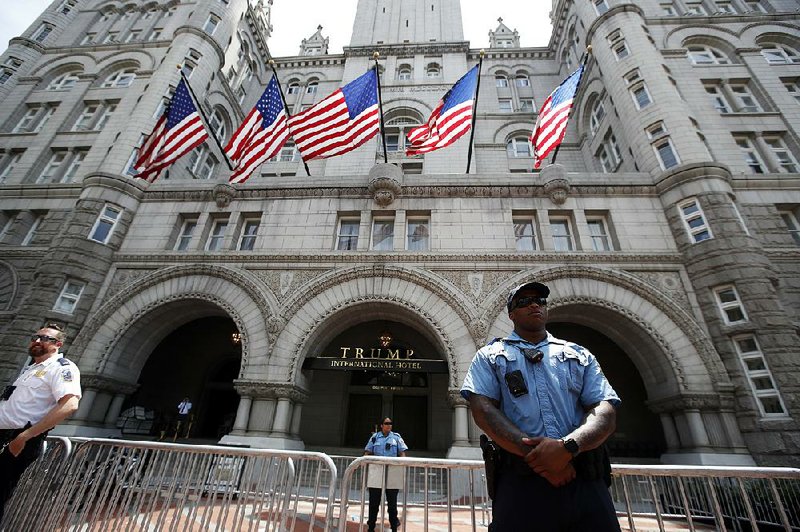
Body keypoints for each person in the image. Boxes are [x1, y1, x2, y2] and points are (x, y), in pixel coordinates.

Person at [461, 281, 621, 531]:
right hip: (521, 482)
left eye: (540, 300)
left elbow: (604, 410)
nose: (534, 304)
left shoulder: (579, 354)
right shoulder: (490, 354)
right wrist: (542, 459)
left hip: (583, 478)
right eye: (524, 301)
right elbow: (483, 411)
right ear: (511, 314)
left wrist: (568, 448)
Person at [0, 323, 82, 521]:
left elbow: (70, 404)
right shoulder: (31, 369)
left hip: (18, 439)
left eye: (45, 338)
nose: (38, 341)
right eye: (35, 337)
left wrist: (25, 436)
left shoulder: (62, 368)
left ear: (58, 344)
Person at [363, 417, 407, 532]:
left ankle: (394, 528)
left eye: (390, 423)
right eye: (386, 423)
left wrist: (400, 465)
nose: (389, 425)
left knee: (392, 504)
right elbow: (367, 452)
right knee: (374, 503)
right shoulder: (375, 437)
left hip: (392, 473)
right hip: (377, 472)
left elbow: (402, 453)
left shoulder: (396, 438)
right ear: (381, 425)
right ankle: (371, 527)